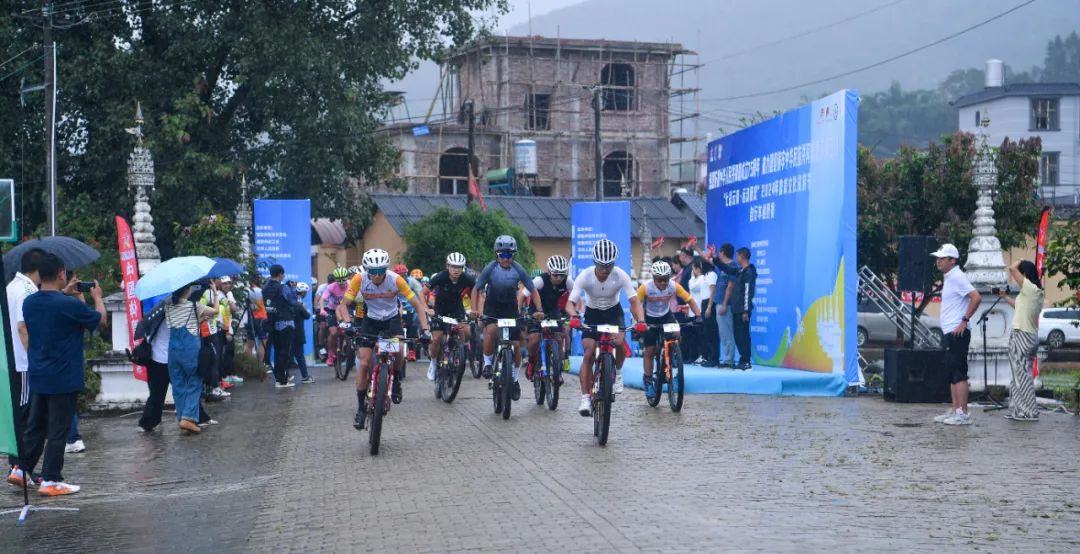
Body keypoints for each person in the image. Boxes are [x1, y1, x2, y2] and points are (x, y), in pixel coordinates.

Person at [19, 253, 106, 495]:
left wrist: (68, 295)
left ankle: (22, 468)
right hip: (63, 377)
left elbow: (53, 313)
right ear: (61, 274)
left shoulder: (30, 303)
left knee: (36, 426)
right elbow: (99, 321)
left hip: (39, 374)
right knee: (58, 430)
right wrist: (95, 298)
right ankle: (51, 479)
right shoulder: (68, 305)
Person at [338, 249, 430, 430]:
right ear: (366, 269)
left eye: (381, 271)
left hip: (392, 320)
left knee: (400, 351)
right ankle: (360, 410)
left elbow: (417, 305)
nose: (377, 275)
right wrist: (347, 323)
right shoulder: (359, 279)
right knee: (364, 363)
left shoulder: (396, 279)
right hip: (370, 321)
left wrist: (425, 330)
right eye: (373, 271)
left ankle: (395, 382)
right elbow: (343, 305)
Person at [566, 239, 647, 416]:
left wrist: (640, 320)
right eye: (601, 266)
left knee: (619, 343)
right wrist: (573, 316)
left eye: (608, 266)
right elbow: (570, 303)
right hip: (592, 313)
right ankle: (586, 398)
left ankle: (617, 373)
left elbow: (634, 301)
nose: (604, 270)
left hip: (613, 314)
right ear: (595, 263)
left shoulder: (620, 275)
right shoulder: (585, 276)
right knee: (588, 353)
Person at [470, 236, 544, 402]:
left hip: (510, 309)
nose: (506, 259)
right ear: (497, 255)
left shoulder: (518, 269)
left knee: (516, 345)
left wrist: (539, 310)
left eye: (510, 255)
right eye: (502, 255)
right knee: (490, 330)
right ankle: (488, 363)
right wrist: (475, 309)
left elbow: (533, 290)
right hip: (493, 307)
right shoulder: (490, 268)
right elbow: (476, 289)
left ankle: (515, 379)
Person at [5, 248, 44, 488]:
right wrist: (34, 356)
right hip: (24, 362)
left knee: (19, 414)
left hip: (11, 360)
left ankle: (17, 465)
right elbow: (22, 327)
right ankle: (19, 466)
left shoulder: (10, 287)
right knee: (25, 416)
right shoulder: (28, 289)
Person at [931, 243, 981, 426]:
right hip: (949, 331)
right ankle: (955, 409)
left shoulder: (958, 277)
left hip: (957, 331)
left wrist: (964, 320)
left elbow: (976, 297)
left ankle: (964, 413)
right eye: (938, 258)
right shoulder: (950, 277)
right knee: (952, 371)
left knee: (959, 372)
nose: (938, 261)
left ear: (952, 260)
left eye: (942, 258)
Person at [637, 260, 701, 398]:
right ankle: (648, 380)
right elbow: (636, 305)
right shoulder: (645, 288)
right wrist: (639, 321)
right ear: (653, 278)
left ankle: (672, 355)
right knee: (650, 350)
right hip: (649, 318)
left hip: (666, 316)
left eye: (665, 280)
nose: (663, 283)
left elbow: (690, 300)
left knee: (677, 332)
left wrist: (698, 315)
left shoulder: (673, 286)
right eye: (659, 280)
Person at [166, 283, 218, 434]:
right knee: (195, 381)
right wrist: (214, 293)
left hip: (173, 350)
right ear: (187, 290)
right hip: (190, 350)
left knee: (178, 384)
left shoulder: (167, 304)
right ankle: (188, 418)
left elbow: (180, 321)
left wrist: (198, 320)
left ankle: (182, 417)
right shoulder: (194, 306)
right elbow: (215, 311)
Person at [997, 260, 1044, 421]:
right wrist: (1005, 297)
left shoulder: (1030, 288)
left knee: (1022, 377)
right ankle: (1018, 410)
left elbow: (1012, 268)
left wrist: (1021, 261)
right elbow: (1019, 307)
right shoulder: (1033, 292)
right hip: (1027, 335)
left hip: (1022, 335)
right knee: (1019, 375)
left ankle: (1028, 412)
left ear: (1024, 274)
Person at [519, 255, 573, 382]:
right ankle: (532, 361)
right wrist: (519, 312)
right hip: (536, 310)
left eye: (562, 275)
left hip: (553, 310)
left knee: (559, 338)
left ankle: (557, 371)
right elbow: (522, 295)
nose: (559, 278)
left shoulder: (568, 281)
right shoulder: (539, 281)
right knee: (535, 339)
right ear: (549, 272)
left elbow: (575, 297)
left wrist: (576, 313)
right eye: (555, 275)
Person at [426, 252, 476, 381]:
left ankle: (459, 350)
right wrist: (427, 309)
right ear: (448, 266)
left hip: (456, 309)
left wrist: (476, 309)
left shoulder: (466, 279)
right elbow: (422, 293)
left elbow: (477, 293)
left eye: (459, 267)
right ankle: (433, 363)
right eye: (453, 266)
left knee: (466, 331)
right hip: (440, 309)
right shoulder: (440, 277)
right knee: (436, 339)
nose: (456, 270)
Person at [264, 264, 305, 388]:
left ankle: (279, 378)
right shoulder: (283, 288)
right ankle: (282, 380)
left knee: (277, 351)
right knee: (285, 352)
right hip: (285, 323)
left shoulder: (265, 288)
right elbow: (293, 302)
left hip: (271, 323)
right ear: (281, 274)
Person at [728, 247, 757, 370]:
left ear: (742, 256)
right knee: (738, 335)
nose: (736, 258)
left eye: (738, 256)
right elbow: (728, 269)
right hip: (736, 308)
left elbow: (748, 292)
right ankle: (742, 359)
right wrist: (715, 260)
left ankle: (746, 360)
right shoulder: (740, 271)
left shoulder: (749, 272)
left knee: (743, 335)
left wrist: (746, 310)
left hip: (742, 310)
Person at [711, 244, 739, 368]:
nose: (718, 254)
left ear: (723, 253)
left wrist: (724, 303)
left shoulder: (732, 266)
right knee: (723, 332)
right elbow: (709, 260)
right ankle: (727, 358)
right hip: (719, 303)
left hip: (725, 304)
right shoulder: (723, 267)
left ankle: (729, 360)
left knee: (727, 332)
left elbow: (730, 286)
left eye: (719, 252)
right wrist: (695, 247)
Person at [688, 258, 717, 366]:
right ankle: (708, 357)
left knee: (710, 333)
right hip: (704, 304)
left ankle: (712, 357)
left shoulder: (711, 275)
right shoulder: (705, 276)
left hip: (708, 303)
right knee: (706, 332)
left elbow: (712, 291)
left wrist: (709, 306)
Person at [322, 267, 351, 366]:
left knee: (348, 331)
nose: (342, 282)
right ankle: (331, 354)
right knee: (334, 333)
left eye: (344, 280)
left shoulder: (351, 284)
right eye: (339, 281)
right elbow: (322, 299)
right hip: (332, 310)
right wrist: (322, 309)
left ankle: (347, 349)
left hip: (346, 309)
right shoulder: (331, 287)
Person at [216, 276, 241, 386]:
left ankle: (230, 375)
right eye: (225, 283)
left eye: (229, 283)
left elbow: (234, 309)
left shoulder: (229, 294)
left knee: (230, 351)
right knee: (221, 353)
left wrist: (230, 299)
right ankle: (222, 377)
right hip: (219, 328)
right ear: (220, 284)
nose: (227, 285)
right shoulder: (217, 294)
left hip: (228, 327)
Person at [291, 281, 314, 383]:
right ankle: (305, 376)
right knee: (300, 355)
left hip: (287, 332)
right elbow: (307, 315)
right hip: (297, 332)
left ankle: (283, 377)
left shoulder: (289, 300)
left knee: (285, 355)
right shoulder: (299, 303)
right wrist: (304, 308)